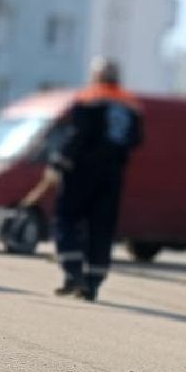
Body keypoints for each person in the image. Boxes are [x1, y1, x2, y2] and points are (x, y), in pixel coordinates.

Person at [42, 57, 142, 301]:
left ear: (95, 75)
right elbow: (136, 140)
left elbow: (79, 133)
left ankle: (73, 272)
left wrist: (61, 159)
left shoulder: (88, 98)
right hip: (112, 175)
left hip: (81, 171)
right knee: (101, 228)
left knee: (66, 219)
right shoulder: (131, 105)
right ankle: (92, 283)